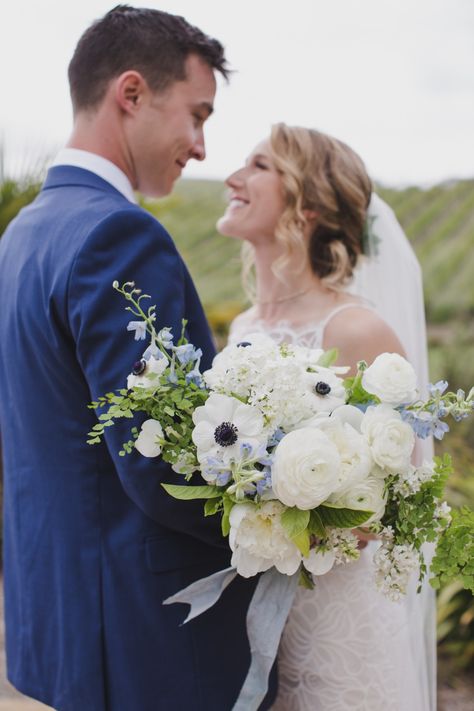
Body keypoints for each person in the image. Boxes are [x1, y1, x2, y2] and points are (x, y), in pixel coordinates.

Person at [0, 7, 276, 711]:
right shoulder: (117, 236)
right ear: (131, 94)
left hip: (60, 617)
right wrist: (289, 517)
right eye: (196, 114)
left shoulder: (23, 233)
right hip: (144, 637)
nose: (202, 147)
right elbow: (161, 462)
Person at [218, 123, 434, 710]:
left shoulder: (357, 330)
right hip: (245, 611)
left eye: (259, 166)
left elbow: (394, 504)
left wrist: (280, 522)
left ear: (306, 204)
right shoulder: (241, 329)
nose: (233, 178)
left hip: (334, 623)